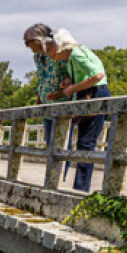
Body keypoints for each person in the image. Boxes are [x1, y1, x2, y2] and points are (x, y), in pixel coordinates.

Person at [44, 28, 110, 192]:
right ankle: (80, 187)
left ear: (59, 45)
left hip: (95, 93)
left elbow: (97, 76)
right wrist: (69, 82)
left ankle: (81, 188)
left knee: (86, 143)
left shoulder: (76, 54)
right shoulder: (72, 58)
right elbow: (86, 74)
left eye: (49, 48)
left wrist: (74, 88)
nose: (47, 53)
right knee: (83, 142)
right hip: (88, 93)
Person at [23, 23, 71, 145]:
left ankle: (64, 165)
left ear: (40, 40)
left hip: (62, 104)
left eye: (28, 42)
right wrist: (38, 102)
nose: (27, 46)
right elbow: (41, 80)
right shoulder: (37, 57)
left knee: (62, 143)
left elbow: (72, 78)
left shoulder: (59, 53)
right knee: (50, 143)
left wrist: (60, 93)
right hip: (46, 105)